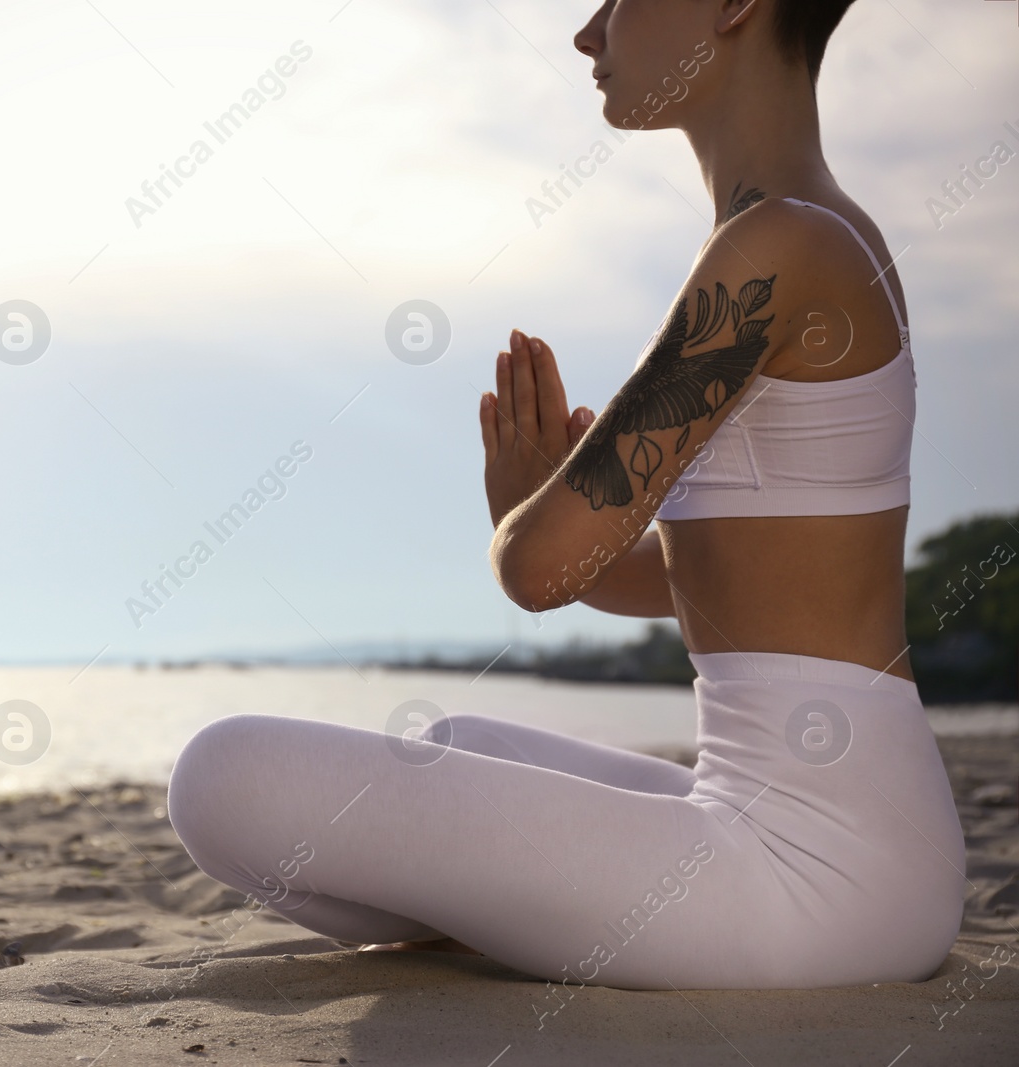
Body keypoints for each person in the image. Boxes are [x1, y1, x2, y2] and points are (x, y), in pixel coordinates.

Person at [166, 0, 966, 990]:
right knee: (459, 743)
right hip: (864, 845)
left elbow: (536, 568)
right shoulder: (832, 231)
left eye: (617, 0)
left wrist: (523, 510)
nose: (589, 34)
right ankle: (511, 917)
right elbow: (725, 583)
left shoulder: (776, 248)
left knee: (220, 775)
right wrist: (562, 528)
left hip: (813, 880)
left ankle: (500, 924)